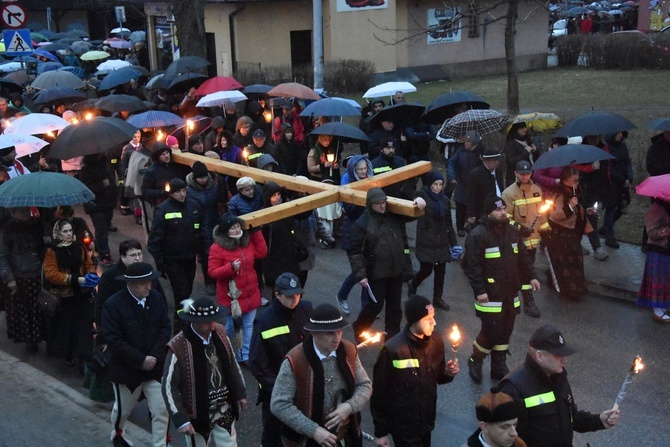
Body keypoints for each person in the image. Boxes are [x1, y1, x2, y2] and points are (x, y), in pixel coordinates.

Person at [498, 325, 620, 447]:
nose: (565, 360)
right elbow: (508, 440)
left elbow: (570, 416)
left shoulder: (558, 378)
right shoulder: (513, 389)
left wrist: (599, 420)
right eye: (558, 355)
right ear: (540, 356)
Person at [270, 303, 372, 447]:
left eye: (339, 331)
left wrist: (349, 406)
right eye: (330, 333)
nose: (337, 338)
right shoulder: (295, 359)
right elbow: (278, 404)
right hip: (304, 442)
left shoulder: (349, 350)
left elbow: (365, 385)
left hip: (345, 438)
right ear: (314, 333)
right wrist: (314, 430)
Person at [462, 195, 540, 383]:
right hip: (489, 295)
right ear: (489, 213)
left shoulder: (512, 232)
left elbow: (523, 258)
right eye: (498, 210)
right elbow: (472, 266)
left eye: (504, 209)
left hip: (509, 293)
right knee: (491, 332)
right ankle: (476, 360)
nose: (503, 212)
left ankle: (498, 365)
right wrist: (480, 291)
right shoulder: (478, 235)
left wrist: (532, 276)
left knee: (505, 331)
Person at [371, 295, 459, 447]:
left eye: (434, 317)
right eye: (428, 319)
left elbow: (438, 377)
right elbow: (380, 392)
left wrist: (448, 373)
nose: (434, 322)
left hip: (426, 423)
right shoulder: (393, 349)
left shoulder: (436, 341)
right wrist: (381, 432)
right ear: (413, 321)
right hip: (403, 427)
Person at [101, 262, 171, 447]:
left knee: (161, 410)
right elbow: (114, 341)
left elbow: (165, 327)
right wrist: (140, 360)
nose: (149, 286)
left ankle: (160, 444)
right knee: (123, 410)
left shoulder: (155, 298)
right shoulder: (113, 305)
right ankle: (118, 433)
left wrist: (154, 357)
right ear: (130, 284)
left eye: (150, 281)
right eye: (143, 283)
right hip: (127, 371)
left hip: (154, 368)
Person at [163, 297, 248, 447]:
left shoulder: (220, 333)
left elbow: (232, 364)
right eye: (207, 321)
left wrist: (240, 393)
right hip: (198, 414)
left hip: (225, 408)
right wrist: (180, 419)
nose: (212, 325)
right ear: (194, 321)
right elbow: (169, 386)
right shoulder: (178, 346)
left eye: (214, 320)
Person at [349, 187, 425, 342]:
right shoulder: (362, 223)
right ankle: (359, 327)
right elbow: (355, 252)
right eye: (378, 204)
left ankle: (393, 340)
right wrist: (361, 275)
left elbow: (410, 215)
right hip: (376, 273)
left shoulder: (392, 216)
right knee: (375, 306)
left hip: (396, 272)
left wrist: (418, 202)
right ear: (370, 204)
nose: (382, 206)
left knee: (394, 307)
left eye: (384, 202)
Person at [248, 272, 313, 447]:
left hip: (305, 388)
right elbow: (257, 364)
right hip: (276, 393)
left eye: (298, 295)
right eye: (290, 296)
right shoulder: (264, 322)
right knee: (274, 439)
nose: (295, 300)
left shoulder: (307, 310)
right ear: (277, 295)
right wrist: (282, 388)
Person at [208, 213, 268, 364]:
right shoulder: (217, 248)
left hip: (250, 293)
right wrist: (230, 268)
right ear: (225, 231)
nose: (236, 230)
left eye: (237, 226)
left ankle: (244, 355)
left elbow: (262, 252)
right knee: (233, 326)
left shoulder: (246, 242)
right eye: (232, 228)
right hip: (232, 298)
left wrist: (256, 232)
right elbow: (212, 272)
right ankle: (218, 342)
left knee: (247, 326)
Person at [148, 177, 204, 329]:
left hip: (189, 257)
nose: (182, 194)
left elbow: (199, 228)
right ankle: (180, 322)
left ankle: (184, 317)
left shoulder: (193, 206)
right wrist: (160, 264)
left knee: (188, 289)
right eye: (178, 191)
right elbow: (154, 241)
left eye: (184, 190)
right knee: (181, 291)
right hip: (173, 259)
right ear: (171, 193)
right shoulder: (163, 210)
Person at [43, 219, 97, 367]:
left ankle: (84, 356)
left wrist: (90, 275)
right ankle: (68, 355)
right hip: (64, 296)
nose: (68, 234)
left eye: (70, 231)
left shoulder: (79, 247)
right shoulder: (51, 251)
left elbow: (88, 264)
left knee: (83, 326)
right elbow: (51, 273)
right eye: (65, 231)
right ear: (58, 233)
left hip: (82, 294)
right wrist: (73, 279)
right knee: (66, 328)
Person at [501, 160, 546, 318]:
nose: (526, 177)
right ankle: (528, 302)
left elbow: (542, 215)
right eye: (522, 174)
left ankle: (521, 299)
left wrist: (547, 232)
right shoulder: (508, 193)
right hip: (518, 242)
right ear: (515, 174)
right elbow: (505, 218)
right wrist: (520, 229)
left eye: (528, 174)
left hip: (533, 242)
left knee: (526, 271)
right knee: (524, 272)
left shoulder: (537, 190)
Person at [408, 171, 457, 311]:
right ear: (430, 184)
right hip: (427, 240)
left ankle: (437, 298)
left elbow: (448, 223)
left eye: (441, 184)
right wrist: (415, 177)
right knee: (427, 269)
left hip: (441, 241)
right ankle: (413, 285)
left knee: (441, 271)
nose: (438, 187)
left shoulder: (445, 200)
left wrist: (454, 244)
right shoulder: (423, 195)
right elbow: (407, 192)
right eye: (435, 184)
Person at [0, 207, 45, 352]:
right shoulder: (8, 230)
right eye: (21, 211)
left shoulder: (37, 225)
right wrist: (9, 279)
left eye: (27, 210)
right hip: (19, 277)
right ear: (13, 213)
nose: (26, 213)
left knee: (38, 310)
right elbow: (3, 256)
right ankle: (30, 340)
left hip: (37, 275)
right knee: (24, 311)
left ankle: (37, 337)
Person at [544, 168, 593, 300]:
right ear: (565, 180)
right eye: (574, 181)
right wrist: (570, 206)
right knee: (566, 263)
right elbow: (555, 215)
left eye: (578, 181)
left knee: (576, 262)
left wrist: (587, 210)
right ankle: (569, 290)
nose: (577, 183)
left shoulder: (577, 191)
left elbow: (580, 208)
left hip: (574, 233)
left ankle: (577, 287)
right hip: (562, 235)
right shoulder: (559, 194)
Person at [336, 155, 373, 314]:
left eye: (365, 169)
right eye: (360, 169)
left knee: (367, 269)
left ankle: (366, 304)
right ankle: (342, 295)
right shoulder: (349, 186)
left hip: (367, 231)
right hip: (352, 232)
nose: (363, 172)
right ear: (354, 170)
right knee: (359, 272)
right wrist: (363, 199)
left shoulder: (371, 182)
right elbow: (350, 211)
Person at [186, 161, 227, 295]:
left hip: (215, 221)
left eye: (205, 177)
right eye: (200, 178)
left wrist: (222, 183)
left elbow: (221, 199)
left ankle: (220, 278)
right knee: (206, 255)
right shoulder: (189, 191)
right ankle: (209, 281)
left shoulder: (213, 185)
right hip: (202, 225)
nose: (203, 180)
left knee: (220, 252)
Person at [79, 153, 119, 266]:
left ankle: (98, 246)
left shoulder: (105, 166)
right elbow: (85, 188)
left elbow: (111, 181)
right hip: (95, 205)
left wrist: (113, 192)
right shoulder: (86, 170)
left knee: (104, 227)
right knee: (101, 229)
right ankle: (105, 254)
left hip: (108, 202)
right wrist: (103, 185)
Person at [637, 197, 670, 322]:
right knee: (658, 281)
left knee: (666, 281)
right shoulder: (655, 209)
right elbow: (652, 233)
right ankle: (657, 311)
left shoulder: (667, 208)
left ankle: (663, 307)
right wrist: (667, 230)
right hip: (657, 251)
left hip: (667, 250)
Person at [462, 390, 526, 447]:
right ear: (484, 427)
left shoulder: (519, 444)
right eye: (505, 427)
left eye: (514, 424)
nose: (514, 433)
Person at [448, 131, 483, 236]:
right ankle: (460, 228)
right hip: (461, 182)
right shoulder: (460, 151)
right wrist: (452, 177)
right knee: (460, 205)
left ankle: (473, 226)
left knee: (474, 206)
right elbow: (451, 163)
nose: (465, 143)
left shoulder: (480, 152)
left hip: (475, 184)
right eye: (465, 141)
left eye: (468, 142)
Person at [467, 147, 504, 228]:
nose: (497, 163)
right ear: (486, 161)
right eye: (494, 160)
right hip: (482, 212)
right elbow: (471, 196)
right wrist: (471, 214)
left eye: (498, 160)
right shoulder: (475, 174)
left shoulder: (498, 172)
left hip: (499, 209)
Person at [503, 122, 538, 187]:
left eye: (525, 127)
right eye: (521, 128)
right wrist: (526, 152)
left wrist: (535, 151)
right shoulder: (510, 144)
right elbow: (511, 161)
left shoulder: (528, 141)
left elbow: (535, 160)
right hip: (515, 179)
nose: (524, 129)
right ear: (516, 130)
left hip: (529, 176)